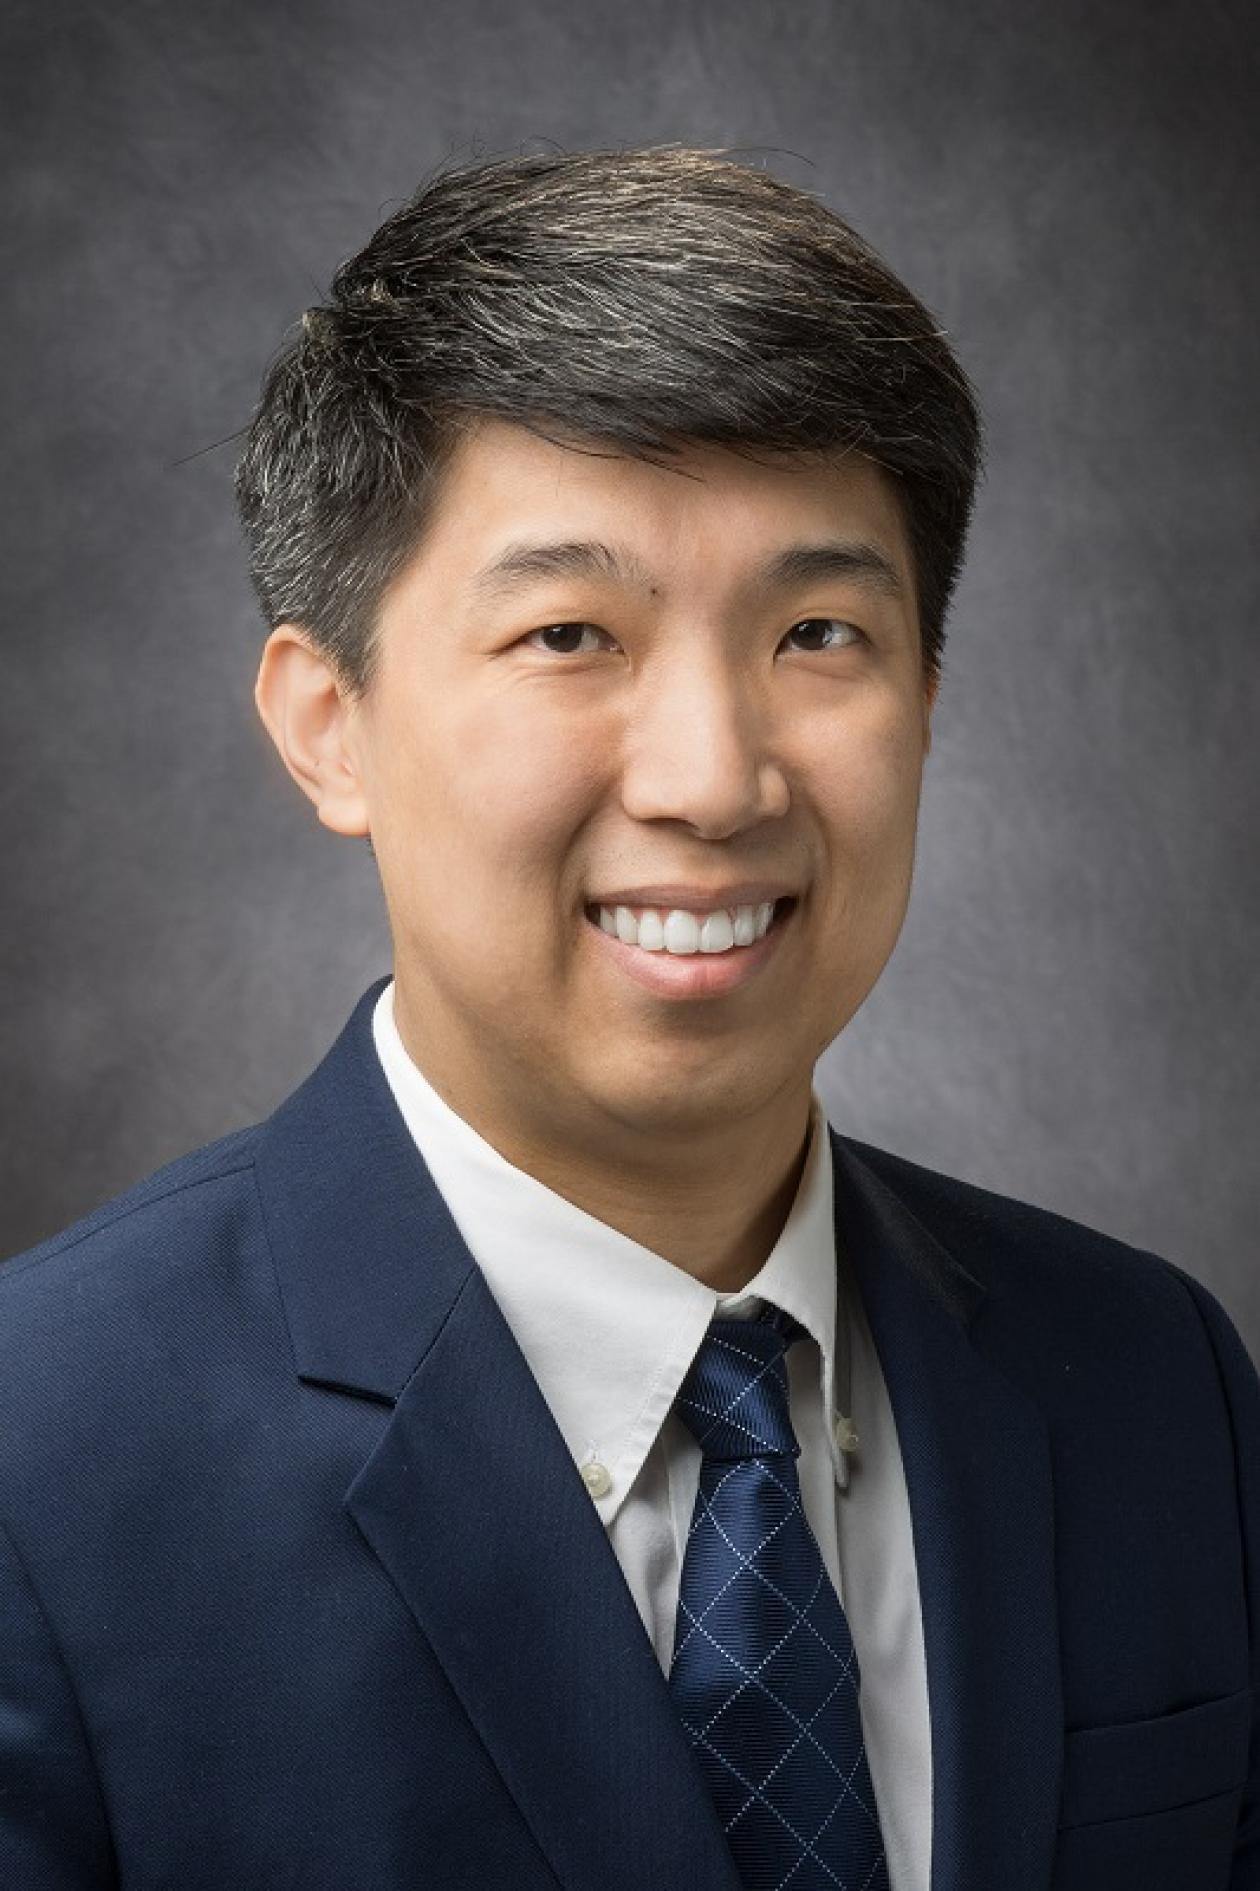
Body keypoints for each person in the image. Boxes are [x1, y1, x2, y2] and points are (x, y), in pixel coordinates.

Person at [0, 145, 1255, 1891]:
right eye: (571, 632)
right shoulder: (38, 1456)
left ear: (927, 700)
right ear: (327, 723)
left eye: (817, 631)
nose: (714, 778)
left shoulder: (1149, 1381)